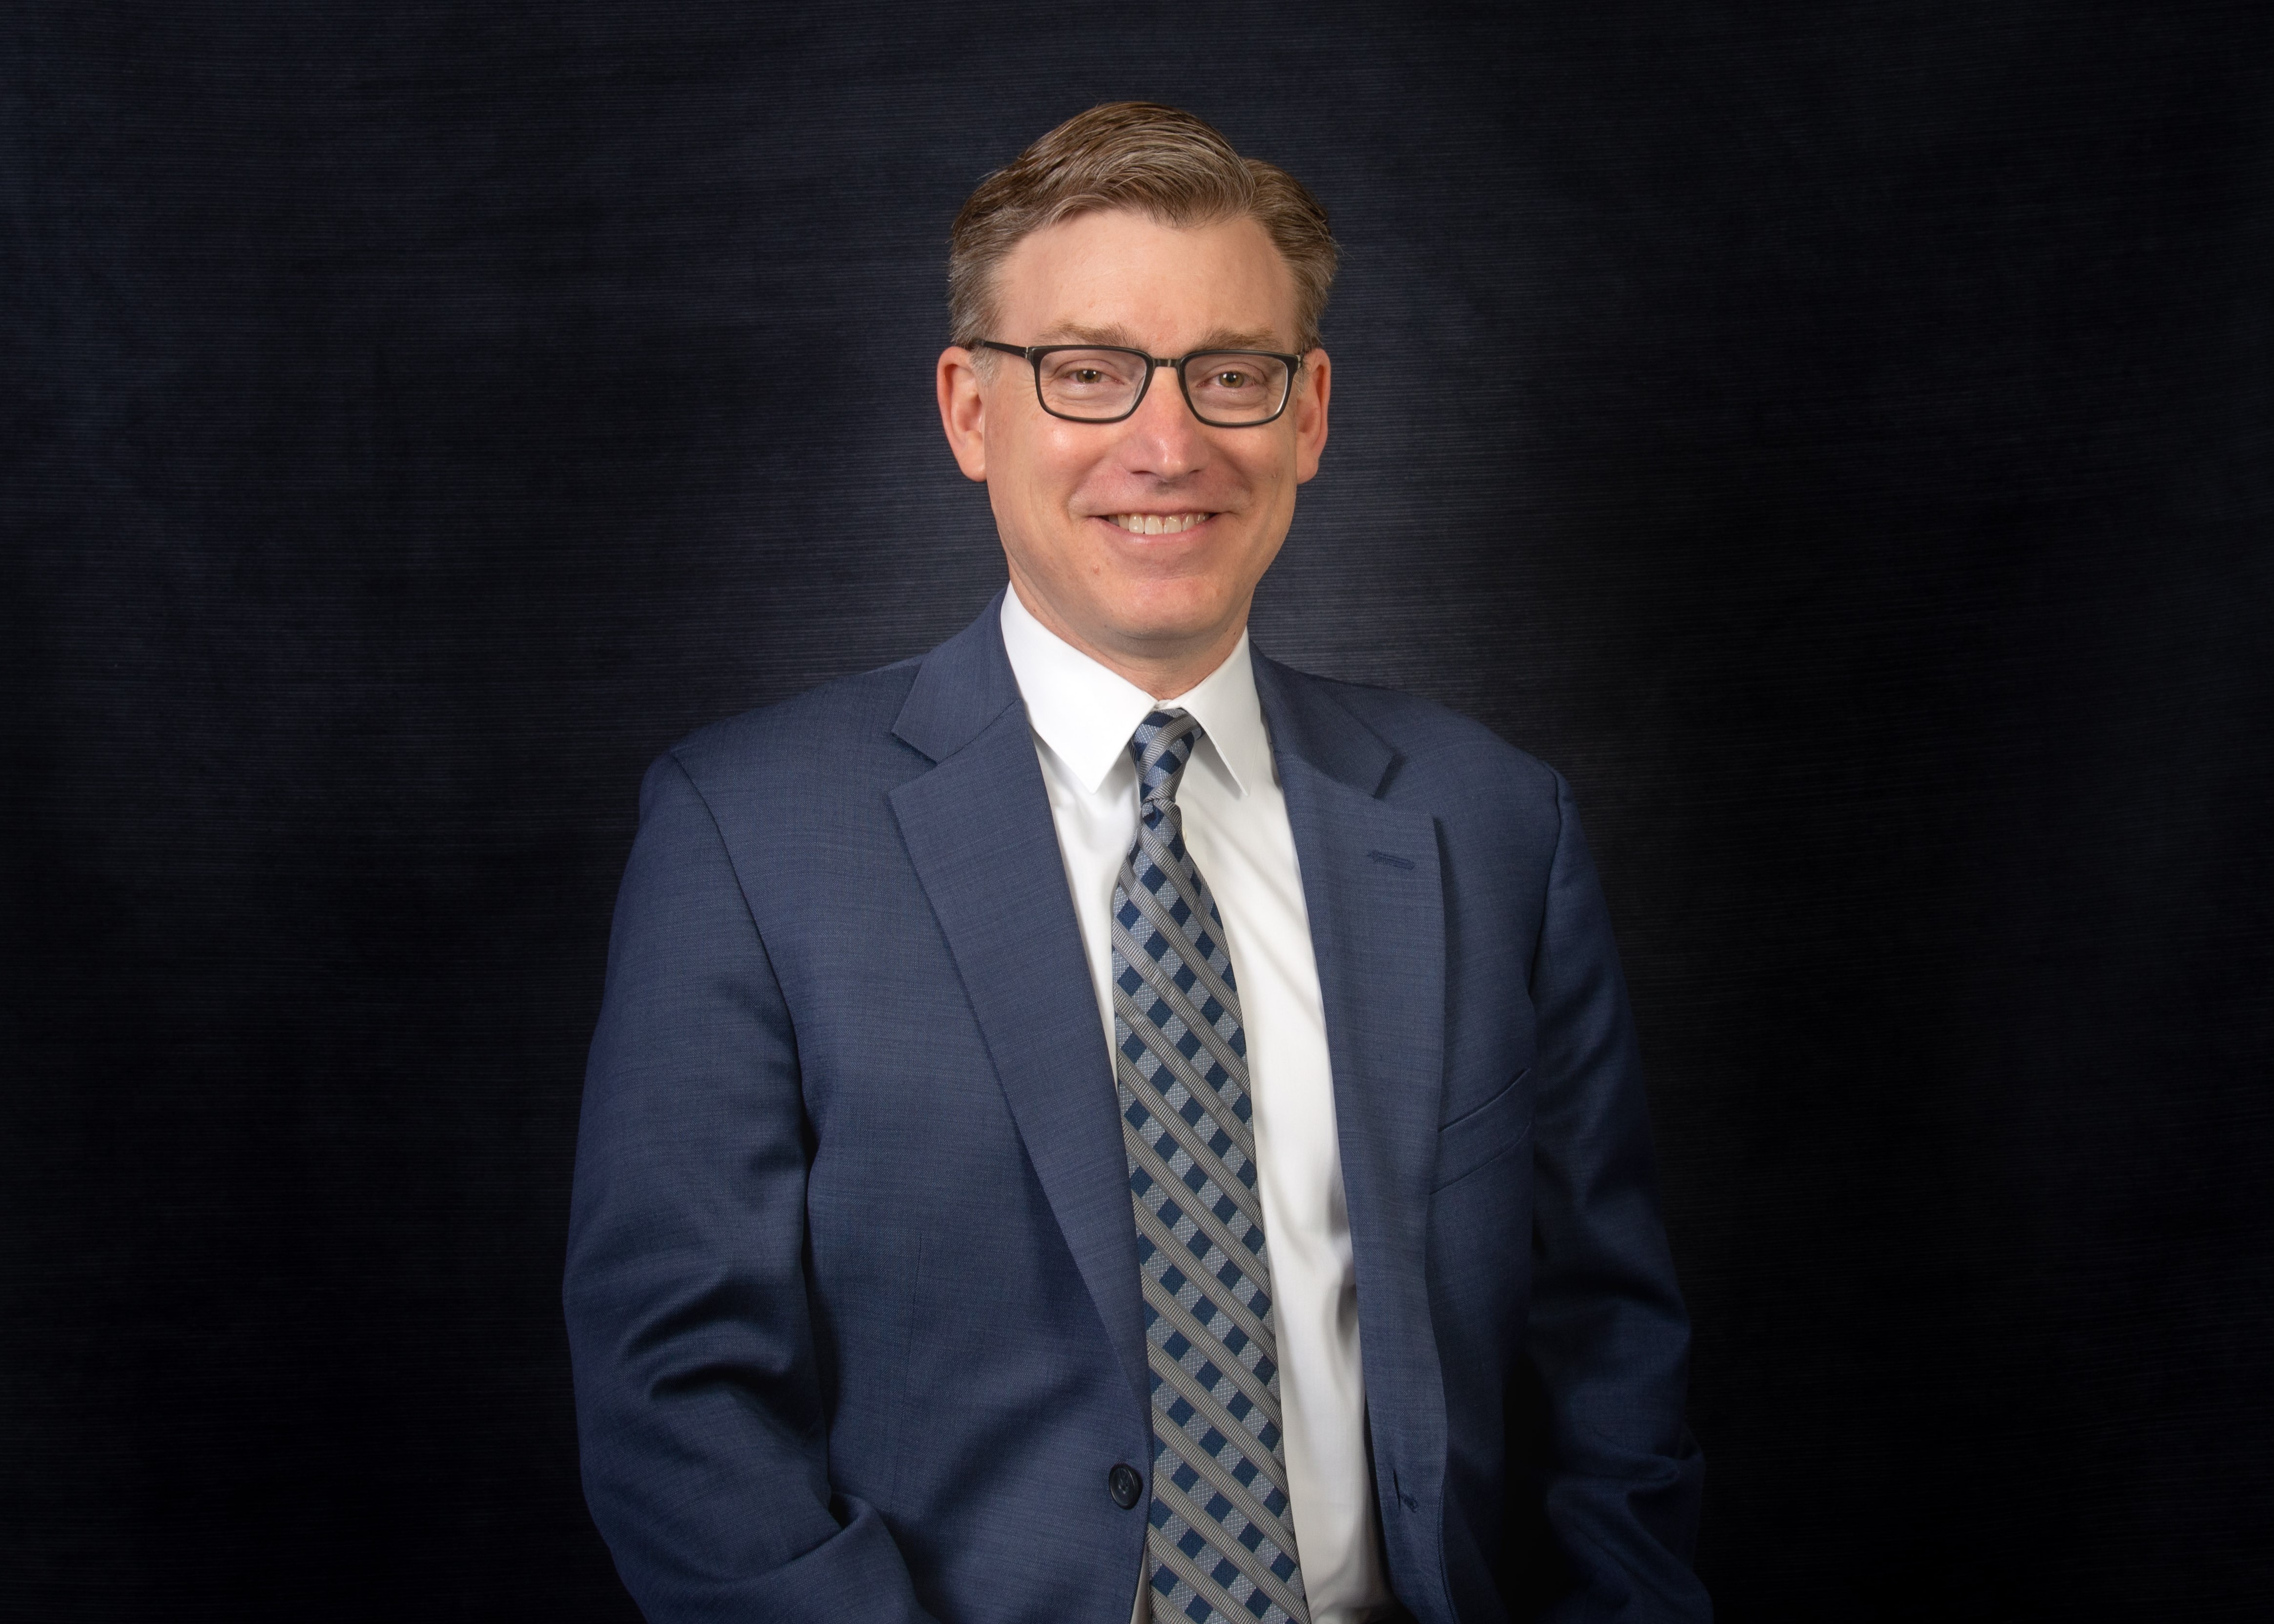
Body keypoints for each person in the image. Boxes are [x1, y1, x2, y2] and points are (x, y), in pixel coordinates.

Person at [564, 102, 1708, 1624]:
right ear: (974, 414)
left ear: (1305, 414)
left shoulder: (1489, 825)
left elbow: (1606, 1358)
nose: (1164, 445)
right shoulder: (750, 832)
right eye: (1086, 373)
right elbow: (676, 1397)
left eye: (1228, 374)